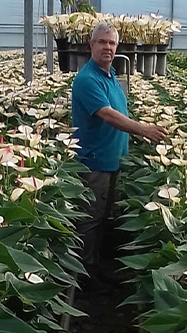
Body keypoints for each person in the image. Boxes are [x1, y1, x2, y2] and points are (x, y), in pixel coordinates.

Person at [71, 21, 167, 293]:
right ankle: (84, 277)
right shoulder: (88, 79)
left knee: (102, 217)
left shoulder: (110, 75)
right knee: (90, 219)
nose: (108, 47)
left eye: (112, 43)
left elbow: (119, 111)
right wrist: (143, 130)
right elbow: (108, 114)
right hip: (95, 161)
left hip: (112, 161)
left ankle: (96, 267)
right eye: (102, 42)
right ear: (90, 45)